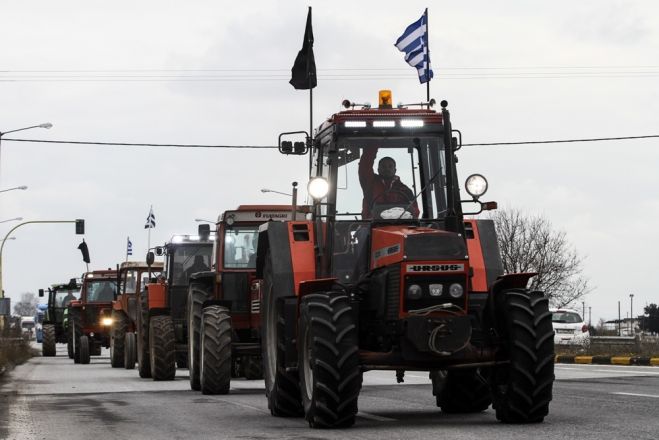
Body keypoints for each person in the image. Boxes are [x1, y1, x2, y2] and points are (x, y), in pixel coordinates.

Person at [358, 147, 420, 219]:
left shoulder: (405, 190)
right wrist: (373, 142)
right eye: (383, 166)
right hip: (371, 226)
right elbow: (365, 166)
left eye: (390, 166)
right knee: (363, 230)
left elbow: (414, 211)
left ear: (395, 170)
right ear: (378, 169)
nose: (387, 169)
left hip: (401, 226)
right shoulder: (370, 184)